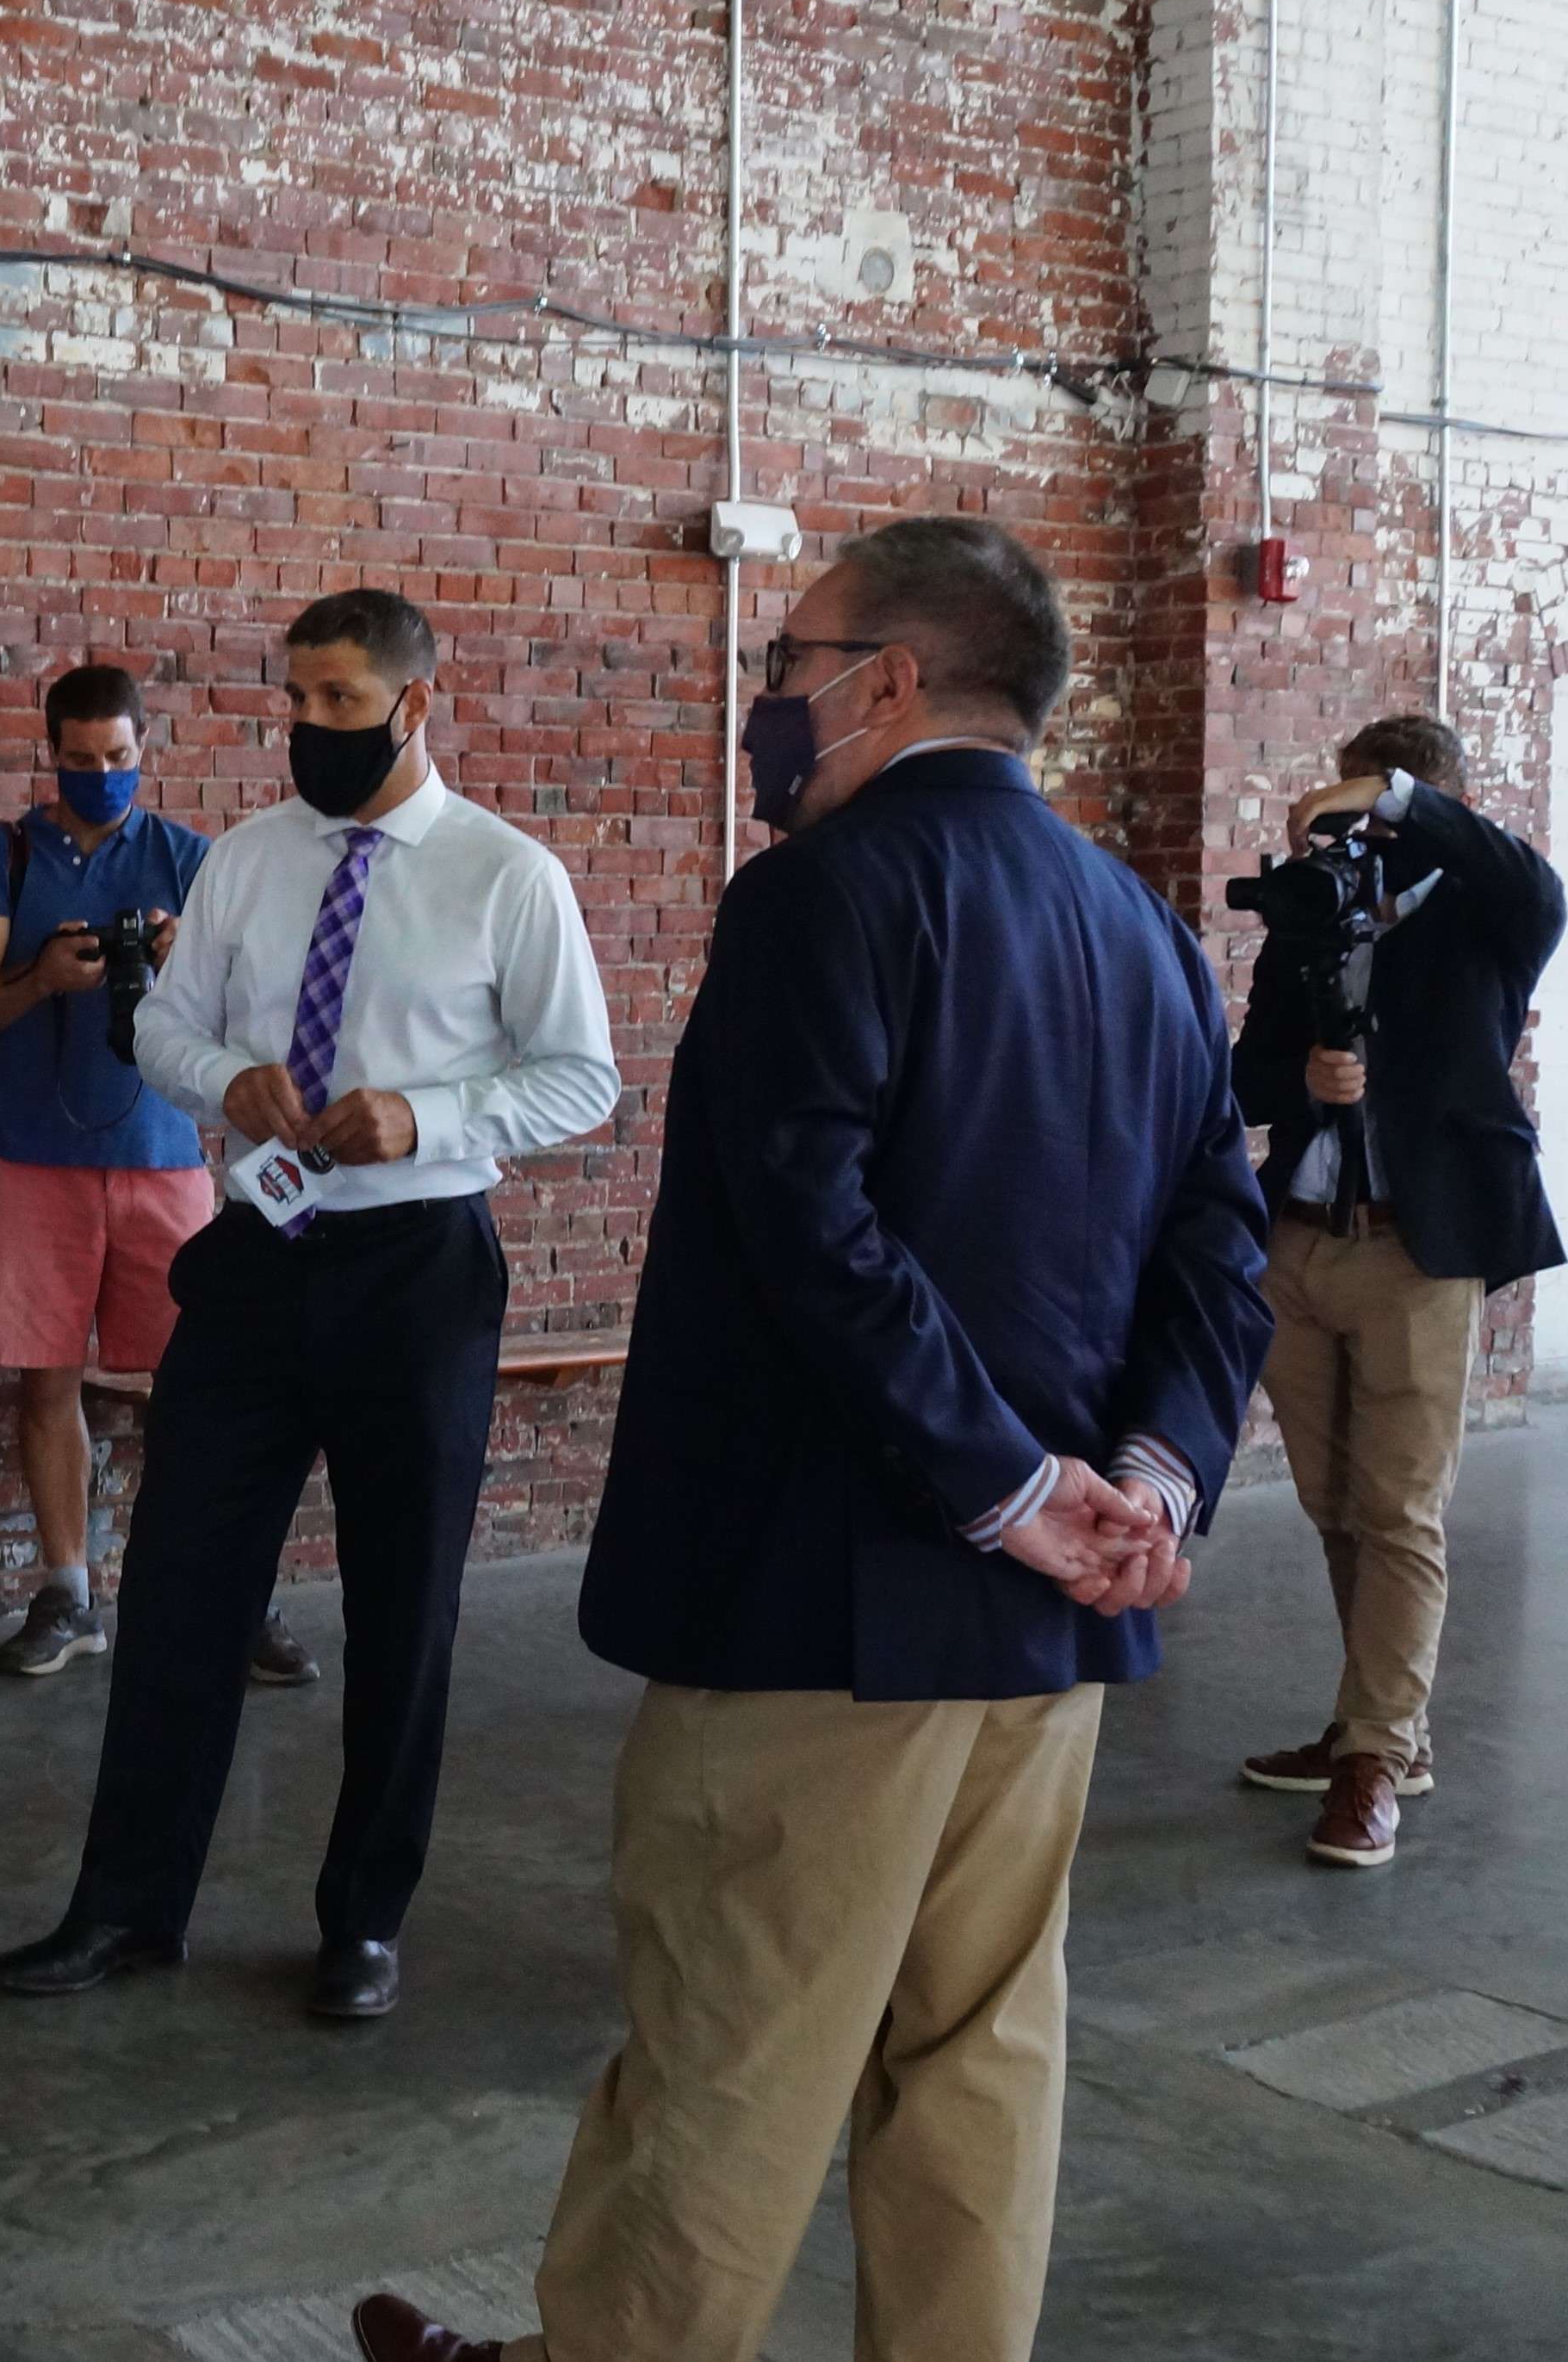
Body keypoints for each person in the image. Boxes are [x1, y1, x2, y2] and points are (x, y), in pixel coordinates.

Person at [356, 518, 1273, 2362]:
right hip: (1044, 1638)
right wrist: (1143, 1487)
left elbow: (809, 1228)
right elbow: (1216, 1249)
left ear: (893, 679)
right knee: (977, 2054)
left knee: (732, 2044)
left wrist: (1010, 1491)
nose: (767, 701)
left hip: (821, 1615)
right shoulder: (1140, 929)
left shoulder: (821, 894)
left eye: (787, 663)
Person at [0, 587, 619, 2022]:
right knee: (182, 1590)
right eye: (297, 698)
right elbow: (158, 1020)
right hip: (259, 1255)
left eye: (341, 701)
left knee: (407, 1604)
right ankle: (127, 1906)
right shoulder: (250, 861)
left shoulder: (503, 873)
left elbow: (581, 1074)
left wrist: (429, 1115)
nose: (311, 726)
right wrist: (229, 1080)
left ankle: (365, 1921)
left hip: (418, 1268)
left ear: (413, 703)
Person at [1229, 713, 1562, 1868]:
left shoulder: (1489, 913)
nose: (1361, 821)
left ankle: (1374, 1757)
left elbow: (1536, 882)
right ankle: (1377, 1728)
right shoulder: (1312, 913)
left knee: (1401, 1510)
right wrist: (1303, 1075)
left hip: (1423, 1247)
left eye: (1384, 802)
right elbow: (1247, 1070)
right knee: (1334, 1501)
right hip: (1303, 1241)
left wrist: (1402, 797)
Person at [0, 666, 292, 1682]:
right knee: (49, 1381)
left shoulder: (192, 860)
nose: (101, 776)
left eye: (119, 759)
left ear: (147, 749)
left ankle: (230, 1595)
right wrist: (39, 977)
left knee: (202, 1388)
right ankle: (68, 1593)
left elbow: (255, 1023)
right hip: (30, 1160)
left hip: (164, 1159)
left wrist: (188, 967)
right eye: (81, 760)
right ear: (50, 751)